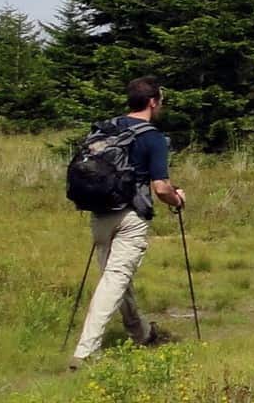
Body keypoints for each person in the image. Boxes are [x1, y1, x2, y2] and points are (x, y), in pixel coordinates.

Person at [69, 77, 186, 371]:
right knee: (115, 280)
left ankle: (141, 334)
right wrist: (178, 199)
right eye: (160, 100)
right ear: (152, 102)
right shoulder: (153, 137)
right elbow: (161, 188)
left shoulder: (105, 128)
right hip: (131, 217)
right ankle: (86, 352)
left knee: (118, 279)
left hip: (98, 214)